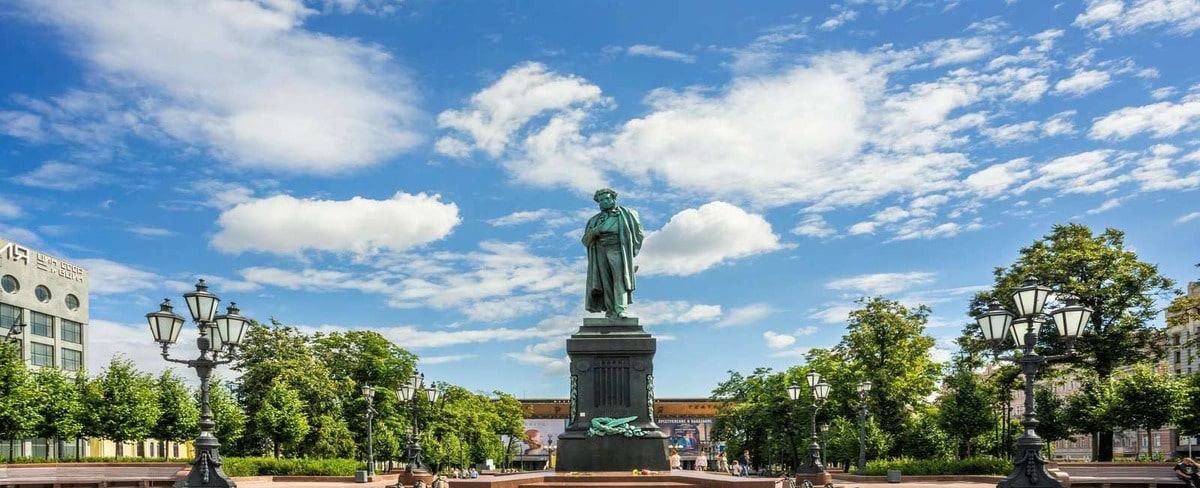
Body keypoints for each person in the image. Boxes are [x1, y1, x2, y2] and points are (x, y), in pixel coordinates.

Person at [582, 188, 644, 319]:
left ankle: (621, 309)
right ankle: (610, 311)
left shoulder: (628, 214)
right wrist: (595, 231)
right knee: (605, 281)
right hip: (600, 249)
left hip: (618, 247)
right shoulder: (594, 220)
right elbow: (585, 240)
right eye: (601, 200)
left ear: (613, 199)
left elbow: (639, 234)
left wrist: (631, 252)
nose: (604, 202)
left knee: (620, 278)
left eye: (607, 198)